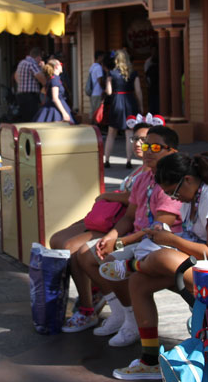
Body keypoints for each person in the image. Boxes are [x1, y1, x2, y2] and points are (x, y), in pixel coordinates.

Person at [100, 151, 208, 380]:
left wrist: (170, 241)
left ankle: (132, 265)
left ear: (188, 180)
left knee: (162, 258)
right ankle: (149, 360)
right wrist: (163, 236)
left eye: (174, 192)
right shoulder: (193, 199)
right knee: (139, 283)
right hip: (204, 271)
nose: (174, 198)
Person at [75, 125, 182, 346]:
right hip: (138, 239)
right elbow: (129, 217)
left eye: (155, 147)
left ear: (171, 152)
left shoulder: (170, 182)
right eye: (146, 145)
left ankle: (132, 321)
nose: (148, 150)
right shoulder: (144, 178)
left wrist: (121, 242)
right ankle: (121, 312)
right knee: (86, 255)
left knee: (113, 263)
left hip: (161, 244)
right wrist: (111, 236)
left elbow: (161, 226)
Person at [54, 117, 155, 334]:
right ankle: (97, 293)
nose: (138, 144)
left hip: (128, 227)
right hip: (114, 218)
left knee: (74, 250)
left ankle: (89, 305)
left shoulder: (152, 172)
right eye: (135, 139)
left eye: (144, 141)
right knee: (57, 240)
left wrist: (107, 195)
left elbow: (133, 201)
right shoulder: (140, 170)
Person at [102, 49, 143, 169]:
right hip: (130, 100)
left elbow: (109, 92)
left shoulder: (112, 74)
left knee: (111, 133)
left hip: (116, 101)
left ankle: (107, 160)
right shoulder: (134, 73)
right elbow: (139, 91)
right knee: (129, 132)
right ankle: (129, 161)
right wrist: (141, 106)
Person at [34, 58, 75, 123]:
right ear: (56, 67)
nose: (62, 66)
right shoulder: (55, 79)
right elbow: (55, 98)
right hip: (56, 108)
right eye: (60, 64)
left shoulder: (54, 78)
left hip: (55, 106)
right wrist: (64, 113)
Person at [15, 47, 45, 121]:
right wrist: (43, 68)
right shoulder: (32, 64)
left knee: (25, 117)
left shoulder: (22, 62)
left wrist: (22, 84)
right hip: (30, 96)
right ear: (38, 57)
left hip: (21, 94)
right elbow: (42, 79)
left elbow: (15, 76)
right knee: (32, 118)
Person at [87, 50, 106, 116]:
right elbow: (100, 80)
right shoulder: (98, 67)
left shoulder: (93, 66)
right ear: (99, 57)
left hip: (93, 92)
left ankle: (92, 124)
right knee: (96, 112)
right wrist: (104, 88)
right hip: (98, 92)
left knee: (93, 110)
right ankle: (94, 125)